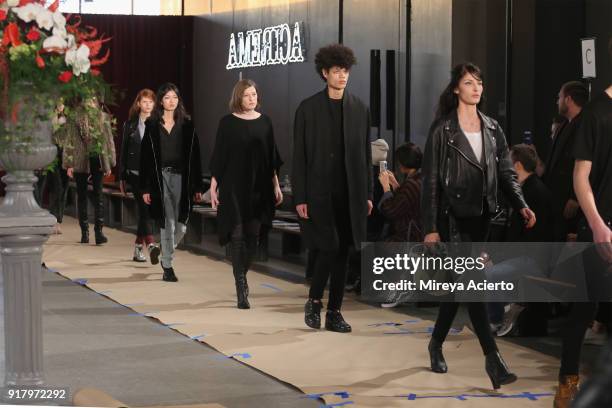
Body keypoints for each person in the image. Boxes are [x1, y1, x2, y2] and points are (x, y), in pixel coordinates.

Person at [421, 62, 535, 389]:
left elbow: (506, 174)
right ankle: (494, 360)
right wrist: (431, 226)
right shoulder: (442, 130)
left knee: (460, 288)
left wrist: (521, 204)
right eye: (469, 83)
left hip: (482, 219)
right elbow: (430, 182)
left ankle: (435, 344)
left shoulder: (492, 128)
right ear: (456, 88)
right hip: (451, 219)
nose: (476, 88)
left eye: (479, 83)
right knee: (471, 286)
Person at [292, 44, 373, 333]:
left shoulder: (359, 108)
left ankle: (334, 312)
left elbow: (365, 155)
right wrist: (299, 196)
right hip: (319, 192)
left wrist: (367, 193)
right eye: (336, 70)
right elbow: (298, 155)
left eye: (345, 70)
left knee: (344, 251)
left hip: (350, 193)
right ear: (324, 72)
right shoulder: (308, 108)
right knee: (329, 247)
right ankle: (314, 301)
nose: (342, 75)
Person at [554, 39, 612, 408]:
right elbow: (581, 177)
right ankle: (567, 384)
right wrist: (598, 224)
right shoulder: (596, 114)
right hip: (602, 228)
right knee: (585, 309)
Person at [209, 79, 283, 309]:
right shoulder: (227, 123)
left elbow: (271, 158)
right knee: (238, 236)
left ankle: (243, 273)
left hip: (259, 187)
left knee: (254, 236)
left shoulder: (266, 123)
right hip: (233, 186)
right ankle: (241, 285)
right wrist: (213, 186)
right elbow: (219, 157)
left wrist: (276, 185)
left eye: (254, 95)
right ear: (238, 98)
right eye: (247, 95)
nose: (252, 99)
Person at [139, 83, 204, 282]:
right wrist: (145, 187)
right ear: (161, 101)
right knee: (167, 222)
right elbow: (145, 158)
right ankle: (167, 266)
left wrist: (197, 186)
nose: (171, 101)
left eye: (174, 97)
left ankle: (161, 249)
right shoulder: (152, 125)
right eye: (167, 97)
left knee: (181, 227)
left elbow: (196, 156)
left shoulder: (187, 125)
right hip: (160, 178)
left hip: (182, 179)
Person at [62, 97, 116, 245]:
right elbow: (69, 140)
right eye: (87, 99)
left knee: (99, 195)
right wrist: (69, 163)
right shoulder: (75, 117)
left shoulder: (103, 117)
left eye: (93, 99)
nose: (90, 102)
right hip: (80, 158)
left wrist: (109, 163)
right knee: (82, 196)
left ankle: (99, 232)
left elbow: (109, 140)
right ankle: (84, 232)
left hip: (97, 158)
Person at [542, 81, 589, 242]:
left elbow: (587, 162)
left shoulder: (585, 125)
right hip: (556, 197)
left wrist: (575, 197)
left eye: (559, 97)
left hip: (570, 200)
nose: (557, 101)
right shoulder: (563, 126)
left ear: (568, 99)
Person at [119, 89, 158, 263]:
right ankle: (150, 244)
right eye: (145, 101)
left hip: (152, 175)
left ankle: (137, 248)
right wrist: (120, 176)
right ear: (138, 104)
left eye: (151, 102)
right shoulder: (130, 125)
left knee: (146, 211)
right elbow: (124, 151)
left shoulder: (159, 123)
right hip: (134, 174)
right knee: (144, 209)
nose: (148, 104)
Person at [378, 142, 423, 243]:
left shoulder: (411, 184)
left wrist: (386, 187)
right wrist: (395, 185)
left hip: (409, 239)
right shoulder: (420, 178)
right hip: (419, 235)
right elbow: (406, 201)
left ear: (403, 163)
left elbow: (390, 211)